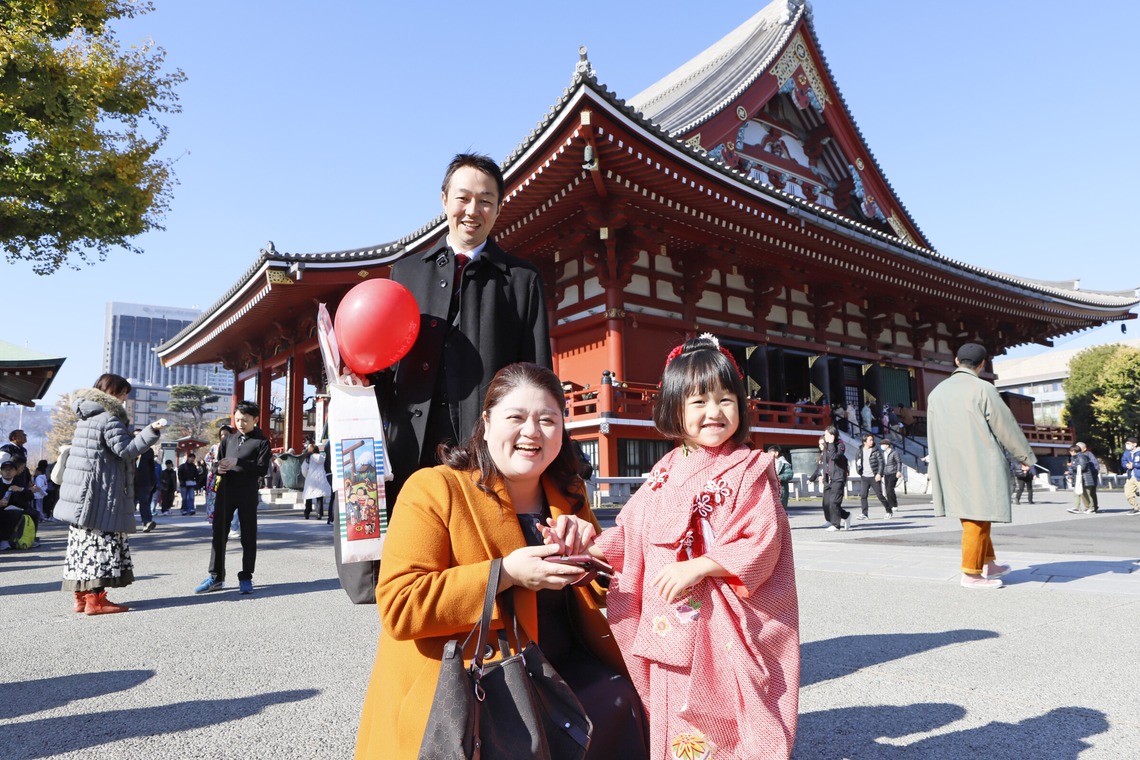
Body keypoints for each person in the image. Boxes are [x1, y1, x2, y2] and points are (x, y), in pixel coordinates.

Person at [355, 363, 648, 759]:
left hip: (563, 672)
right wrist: (506, 574)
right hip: (479, 686)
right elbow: (399, 605)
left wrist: (592, 555)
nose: (532, 432)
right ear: (487, 422)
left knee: (626, 705)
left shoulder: (569, 495)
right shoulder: (435, 489)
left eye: (548, 419)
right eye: (517, 417)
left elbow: (606, 592)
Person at [545, 335, 800, 759]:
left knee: (726, 712)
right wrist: (591, 550)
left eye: (725, 400)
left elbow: (762, 540)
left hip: (716, 625)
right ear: (674, 408)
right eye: (698, 402)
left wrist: (702, 565)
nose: (714, 413)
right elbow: (632, 528)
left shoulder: (751, 469)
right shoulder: (665, 468)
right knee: (671, 710)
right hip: (667, 622)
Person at [337, 152, 552, 604]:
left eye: (486, 201)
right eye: (464, 198)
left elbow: (537, 372)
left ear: (498, 208)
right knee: (411, 562)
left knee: (476, 559)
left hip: (482, 441)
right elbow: (384, 357)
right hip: (411, 440)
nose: (473, 211)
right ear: (443, 200)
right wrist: (360, 382)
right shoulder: (406, 271)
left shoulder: (521, 280)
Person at [928, 343, 1036, 590]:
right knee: (977, 516)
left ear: (956, 361)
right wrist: (1025, 456)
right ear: (982, 364)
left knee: (976, 513)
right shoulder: (983, 388)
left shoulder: (936, 392)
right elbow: (1004, 425)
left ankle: (987, 562)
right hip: (978, 460)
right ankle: (971, 573)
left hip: (948, 461)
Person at [52, 373, 163, 614]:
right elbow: (125, 450)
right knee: (101, 546)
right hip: (100, 494)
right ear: (112, 392)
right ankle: (97, 601)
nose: (124, 398)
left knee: (81, 546)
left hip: (81, 494)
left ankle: (81, 597)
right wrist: (150, 432)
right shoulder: (108, 418)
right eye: (123, 393)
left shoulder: (85, 417)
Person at [195, 400, 271, 595]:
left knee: (248, 536)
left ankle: (246, 576)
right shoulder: (228, 440)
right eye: (237, 419)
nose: (240, 423)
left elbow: (262, 469)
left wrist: (239, 461)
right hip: (226, 491)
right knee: (219, 534)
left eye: (245, 420)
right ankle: (216, 576)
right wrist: (218, 468)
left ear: (255, 419)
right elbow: (215, 465)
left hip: (247, 493)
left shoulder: (262, 442)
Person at [817, 426, 850, 531]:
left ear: (832, 435)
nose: (824, 436)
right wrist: (823, 475)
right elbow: (826, 462)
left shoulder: (840, 445)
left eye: (826, 434)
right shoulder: (827, 446)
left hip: (838, 477)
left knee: (834, 502)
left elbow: (834, 457)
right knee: (827, 503)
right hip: (828, 478)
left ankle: (836, 525)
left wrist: (831, 443)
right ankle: (845, 515)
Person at [854, 432, 892, 519]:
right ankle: (864, 514)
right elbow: (857, 461)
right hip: (864, 476)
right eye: (870, 440)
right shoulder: (860, 450)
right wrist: (859, 471)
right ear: (864, 441)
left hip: (874, 477)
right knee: (863, 495)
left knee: (879, 495)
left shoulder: (875, 450)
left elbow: (881, 463)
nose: (872, 442)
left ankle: (888, 510)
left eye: (872, 440)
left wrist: (879, 474)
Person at [133, 431, 157, 532]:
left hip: (145, 481)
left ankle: (147, 522)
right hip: (130, 482)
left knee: (145, 502)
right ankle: (127, 524)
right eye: (135, 435)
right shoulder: (128, 449)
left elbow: (152, 467)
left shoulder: (148, 450)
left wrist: (152, 482)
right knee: (130, 504)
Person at [301, 440, 331, 520]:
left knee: (308, 495)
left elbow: (304, 469)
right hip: (321, 479)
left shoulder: (308, 458)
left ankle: (307, 511)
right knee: (319, 496)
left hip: (311, 478)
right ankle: (319, 513)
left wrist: (306, 476)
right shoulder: (322, 458)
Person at [1066, 445, 1098, 514]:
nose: (1070, 452)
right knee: (1078, 493)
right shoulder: (1074, 457)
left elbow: (1082, 467)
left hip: (1085, 477)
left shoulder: (1081, 456)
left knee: (1087, 493)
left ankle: (1092, 508)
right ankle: (1078, 507)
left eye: (1070, 451)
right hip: (1079, 477)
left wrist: (1072, 465)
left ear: (1074, 451)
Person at [769, 444, 793, 508]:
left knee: (780, 509)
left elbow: (789, 474)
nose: (768, 455)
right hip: (772, 489)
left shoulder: (783, 463)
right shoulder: (771, 462)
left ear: (776, 453)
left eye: (770, 453)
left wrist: (777, 478)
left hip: (781, 489)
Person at [1122, 437, 1140, 515]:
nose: (1127, 445)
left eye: (1129, 444)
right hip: (1130, 476)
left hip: (1138, 476)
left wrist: (1134, 465)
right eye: (1127, 444)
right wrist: (1126, 465)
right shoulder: (1127, 453)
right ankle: (1136, 508)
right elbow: (1123, 461)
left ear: (1135, 444)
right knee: (1128, 493)